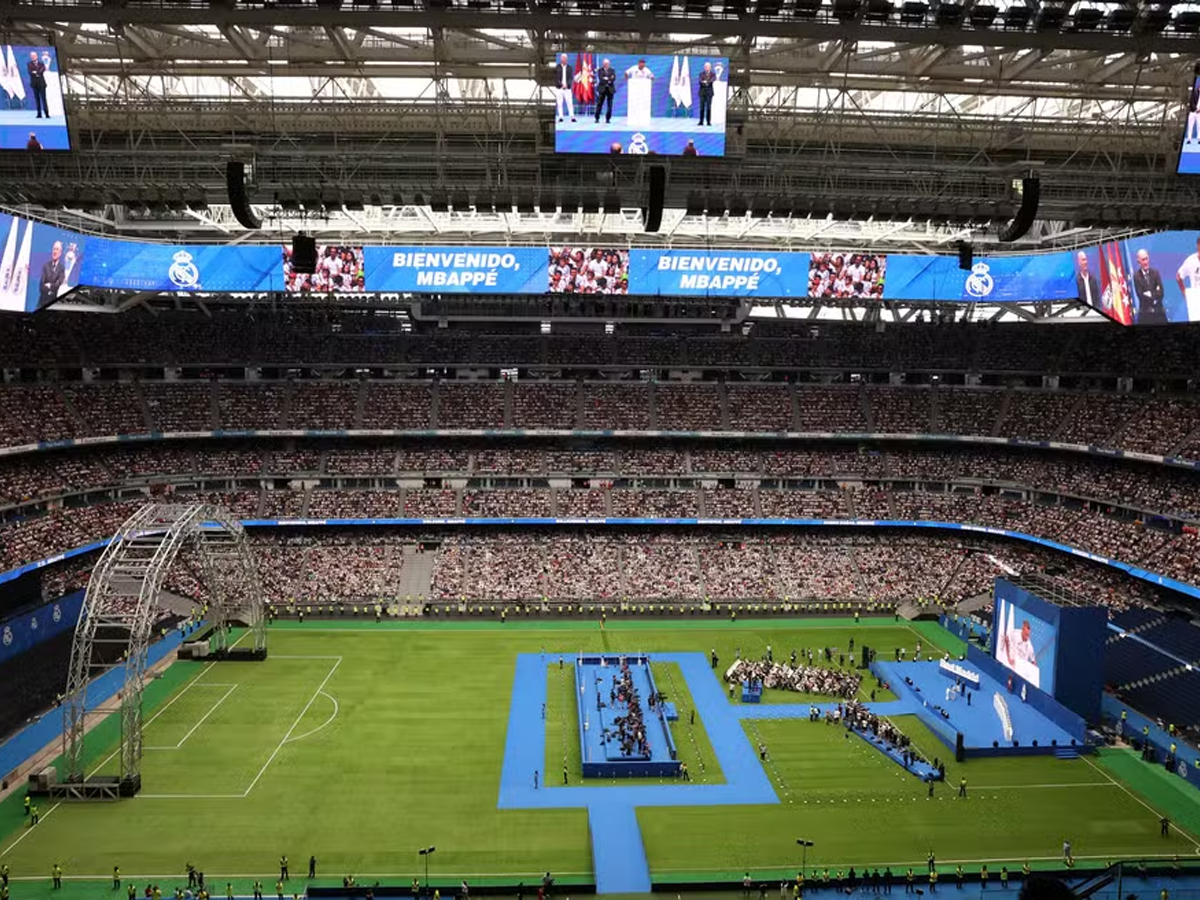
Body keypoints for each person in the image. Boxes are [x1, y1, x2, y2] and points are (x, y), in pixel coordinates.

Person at [1132, 249, 1167, 324]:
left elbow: (1161, 293)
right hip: (1145, 314)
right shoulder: (1136, 276)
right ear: (1139, 261)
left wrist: (1150, 294)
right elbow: (1141, 296)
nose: (1145, 262)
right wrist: (1155, 294)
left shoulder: (1155, 273)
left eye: (1146, 259)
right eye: (1143, 260)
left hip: (1159, 313)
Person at [39, 240, 65, 306]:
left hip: (54, 301)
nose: (55, 252)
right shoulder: (46, 266)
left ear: (60, 253)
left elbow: (58, 284)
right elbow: (41, 285)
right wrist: (51, 287)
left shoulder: (62, 268)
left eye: (57, 249)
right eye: (54, 249)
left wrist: (50, 285)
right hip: (42, 300)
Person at [553, 54, 575, 122]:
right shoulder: (557, 67)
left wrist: (567, 85)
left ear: (567, 59)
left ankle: (572, 116)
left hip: (567, 88)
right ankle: (561, 117)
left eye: (565, 58)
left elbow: (571, 78)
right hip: (559, 88)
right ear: (561, 59)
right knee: (559, 103)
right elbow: (556, 78)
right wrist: (561, 85)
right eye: (562, 58)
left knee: (570, 103)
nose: (564, 59)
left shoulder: (570, 68)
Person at [594, 59, 616, 124]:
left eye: (607, 63)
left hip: (610, 89)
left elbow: (614, 78)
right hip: (602, 89)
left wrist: (606, 78)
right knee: (599, 104)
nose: (606, 64)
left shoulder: (612, 70)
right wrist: (609, 79)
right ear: (603, 64)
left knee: (610, 105)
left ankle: (608, 119)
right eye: (605, 63)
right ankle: (597, 118)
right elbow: (601, 79)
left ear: (609, 64)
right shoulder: (600, 70)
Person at [27, 52, 49, 119]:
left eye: (34, 56)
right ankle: (39, 114)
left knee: (44, 99)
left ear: (36, 56)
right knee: (37, 99)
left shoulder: (41, 64)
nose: (33, 57)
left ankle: (46, 113)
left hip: (42, 83)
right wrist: (36, 73)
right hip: (34, 84)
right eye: (32, 56)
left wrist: (36, 72)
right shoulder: (29, 64)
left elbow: (42, 70)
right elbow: (30, 72)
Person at [697, 61, 716, 126]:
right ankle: (701, 121)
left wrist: (706, 82)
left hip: (709, 93)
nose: (707, 68)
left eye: (708, 67)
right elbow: (700, 81)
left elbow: (712, 80)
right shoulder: (701, 74)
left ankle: (708, 121)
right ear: (704, 67)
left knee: (708, 107)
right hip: (702, 92)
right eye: (705, 67)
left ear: (710, 67)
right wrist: (704, 83)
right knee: (702, 107)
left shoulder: (713, 74)